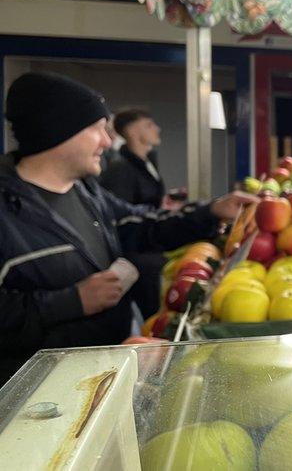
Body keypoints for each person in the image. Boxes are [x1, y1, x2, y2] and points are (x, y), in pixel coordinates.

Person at [0, 72, 256, 382]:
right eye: (98, 130)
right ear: (60, 132)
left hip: (98, 377)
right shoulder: (7, 211)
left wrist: (211, 210)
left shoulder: (87, 192)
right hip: (33, 400)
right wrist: (71, 301)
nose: (108, 142)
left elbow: (141, 224)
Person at [99, 108, 174, 318]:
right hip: (140, 259)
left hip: (150, 247)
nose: (157, 128)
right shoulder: (120, 170)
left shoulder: (148, 162)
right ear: (132, 132)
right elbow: (121, 217)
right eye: (149, 125)